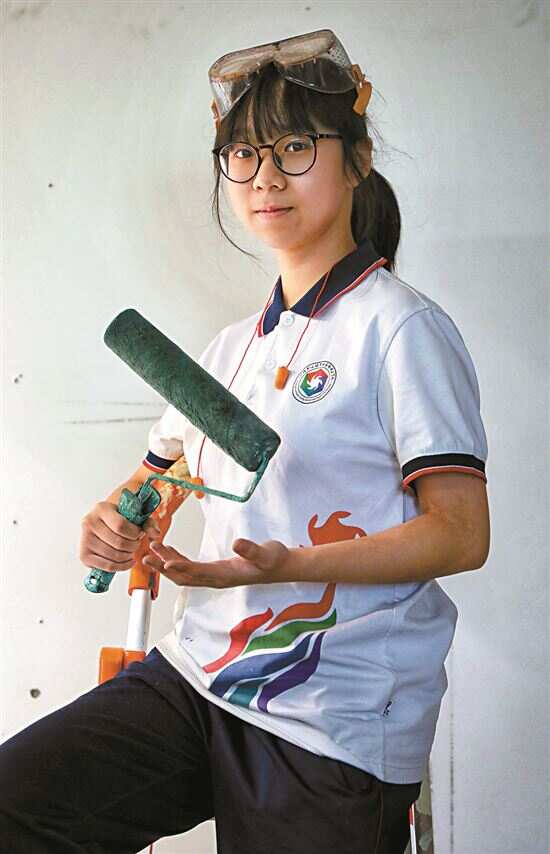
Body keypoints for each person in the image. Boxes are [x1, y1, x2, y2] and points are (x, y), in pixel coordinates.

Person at [0, 29, 490, 854]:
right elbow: (155, 484)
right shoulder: (230, 351)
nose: (264, 176)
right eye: (243, 154)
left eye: (294, 148)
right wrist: (115, 523)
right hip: (202, 678)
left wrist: (290, 564)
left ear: (357, 160)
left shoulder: (402, 331)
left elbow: (461, 534)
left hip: (334, 714)